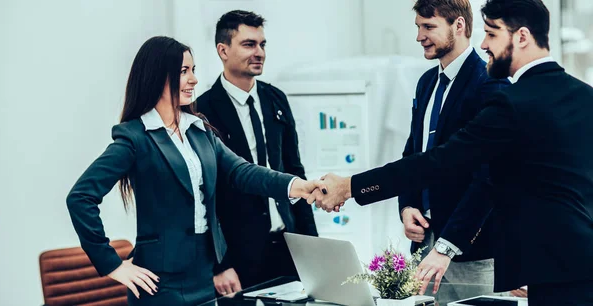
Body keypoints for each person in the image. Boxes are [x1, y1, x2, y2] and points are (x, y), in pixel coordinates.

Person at [309, 0, 593, 304]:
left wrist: (350, 187)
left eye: (492, 34)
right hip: (579, 263)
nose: (484, 44)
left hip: (540, 269)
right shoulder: (584, 96)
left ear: (521, 37)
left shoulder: (510, 101)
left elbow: (440, 162)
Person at [66, 36, 322, 306]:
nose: (194, 79)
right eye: (183, 71)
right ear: (157, 77)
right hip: (159, 284)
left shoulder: (198, 130)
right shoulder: (135, 137)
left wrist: (297, 186)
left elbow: (243, 172)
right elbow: (81, 197)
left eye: (193, 70)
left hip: (203, 275)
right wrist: (112, 264)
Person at [197, 10, 318, 295]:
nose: (259, 52)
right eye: (249, 44)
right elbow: (204, 197)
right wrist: (219, 264)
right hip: (239, 258)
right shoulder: (202, 111)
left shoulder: (275, 99)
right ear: (223, 50)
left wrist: (313, 245)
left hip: (289, 245)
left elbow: (294, 171)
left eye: (262, 44)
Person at [400, 0, 509, 297]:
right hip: (424, 244)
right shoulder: (426, 84)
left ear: (458, 26)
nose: (419, 36)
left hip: (472, 251)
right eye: (418, 27)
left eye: (429, 27)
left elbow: (490, 176)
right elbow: (414, 154)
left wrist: (448, 244)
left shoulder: (490, 83)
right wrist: (407, 206)